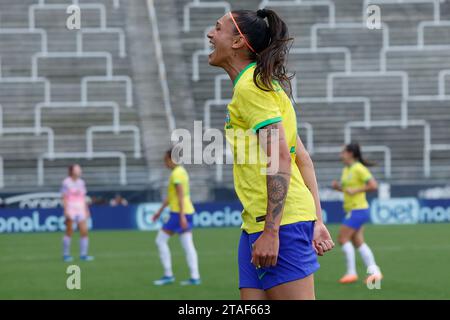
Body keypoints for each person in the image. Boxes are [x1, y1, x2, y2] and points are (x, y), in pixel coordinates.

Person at [207, 8, 334, 300]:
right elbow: (302, 157)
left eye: (218, 29)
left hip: (279, 225)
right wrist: (317, 220)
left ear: (238, 42)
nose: (210, 34)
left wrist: (273, 232)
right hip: (257, 223)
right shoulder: (261, 85)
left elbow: (280, 157)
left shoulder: (252, 86)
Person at [332, 142, 382, 284]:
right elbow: (349, 190)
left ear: (350, 154)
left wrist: (356, 190)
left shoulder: (359, 168)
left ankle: (351, 273)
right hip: (353, 209)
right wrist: (338, 188)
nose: (341, 155)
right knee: (358, 242)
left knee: (342, 239)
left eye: (343, 152)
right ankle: (375, 273)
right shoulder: (346, 170)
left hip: (358, 209)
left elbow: (373, 185)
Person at [152, 149, 201, 286]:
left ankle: (168, 275)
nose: (165, 163)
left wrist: (181, 217)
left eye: (166, 160)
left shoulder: (176, 174)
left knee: (160, 240)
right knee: (188, 245)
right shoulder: (182, 171)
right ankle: (195, 277)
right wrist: (159, 212)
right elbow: (172, 196)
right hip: (187, 211)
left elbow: (179, 196)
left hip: (179, 213)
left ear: (171, 159)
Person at [61, 164, 94, 262]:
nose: (80, 171)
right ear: (72, 171)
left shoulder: (81, 182)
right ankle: (66, 254)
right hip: (71, 208)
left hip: (80, 208)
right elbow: (64, 197)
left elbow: (83, 197)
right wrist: (66, 210)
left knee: (84, 231)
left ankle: (83, 255)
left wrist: (86, 210)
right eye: (78, 169)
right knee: (69, 231)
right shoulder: (66, 182)